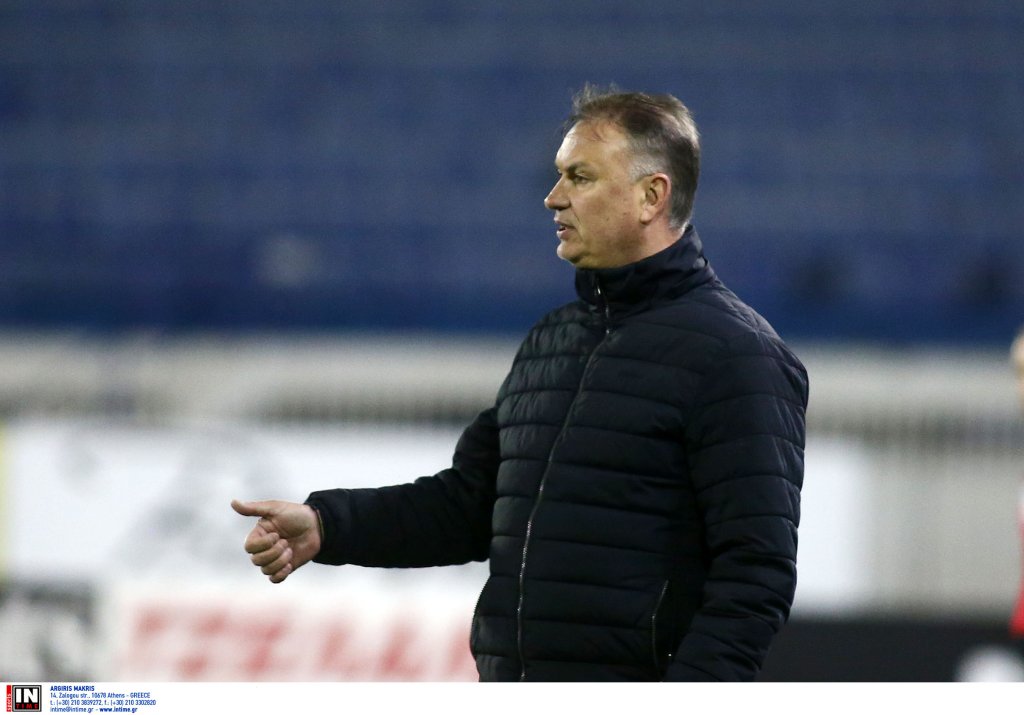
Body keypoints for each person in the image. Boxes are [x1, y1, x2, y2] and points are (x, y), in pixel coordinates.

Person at [232, 85, 809, 681]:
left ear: (650, 196)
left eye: (580, 177)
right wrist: (327, 525)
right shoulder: (551, 341)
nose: (553, 198)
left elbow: (755, 576)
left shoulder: (737, 355)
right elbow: (469, 507)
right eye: (560, 176)